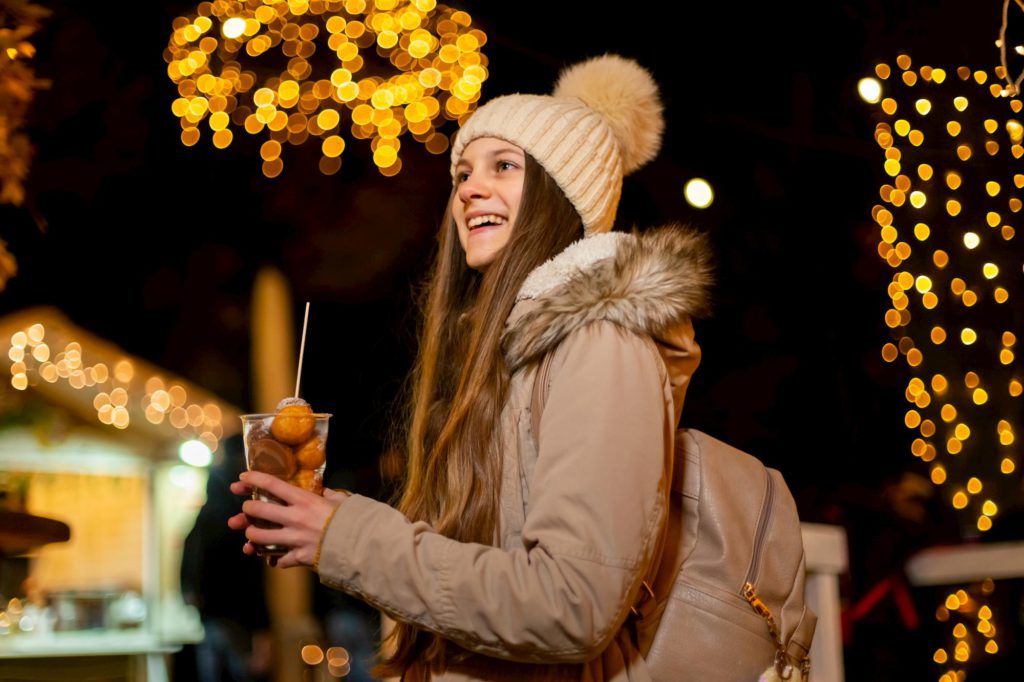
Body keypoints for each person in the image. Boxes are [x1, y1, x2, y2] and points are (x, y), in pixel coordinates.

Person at [229, 54, 711, 680]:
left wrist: (352, 540)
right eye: (462, 172)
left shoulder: (601, 343)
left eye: (503, 166)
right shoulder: (509, 356)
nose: (468, 188)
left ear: (562, 194)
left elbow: (572, 603)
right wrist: (337, 521)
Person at [183, 433, 272, 682]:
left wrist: (195, 602)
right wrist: (263, 628)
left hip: (209, 619)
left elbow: (187, 569)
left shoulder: (202, 518)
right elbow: (250, 577)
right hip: (236, 619)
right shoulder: (237, 517)